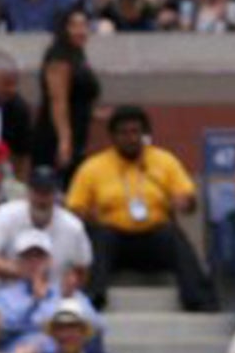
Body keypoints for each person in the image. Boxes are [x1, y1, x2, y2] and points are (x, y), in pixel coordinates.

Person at [67, 106, 214, 314]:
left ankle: (200, 300)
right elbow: (75, 206)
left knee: (172, 235)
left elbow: (188, 199)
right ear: (113, 136)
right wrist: (90, 216)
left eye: (136, 132)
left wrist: (184, 202)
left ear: (145, 134)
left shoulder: (164, 161)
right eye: (124, 133)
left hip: (153, 239)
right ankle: (93, 299)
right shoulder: (93, 166)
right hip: (113, 241)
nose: (131, 138)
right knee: (100, 236)